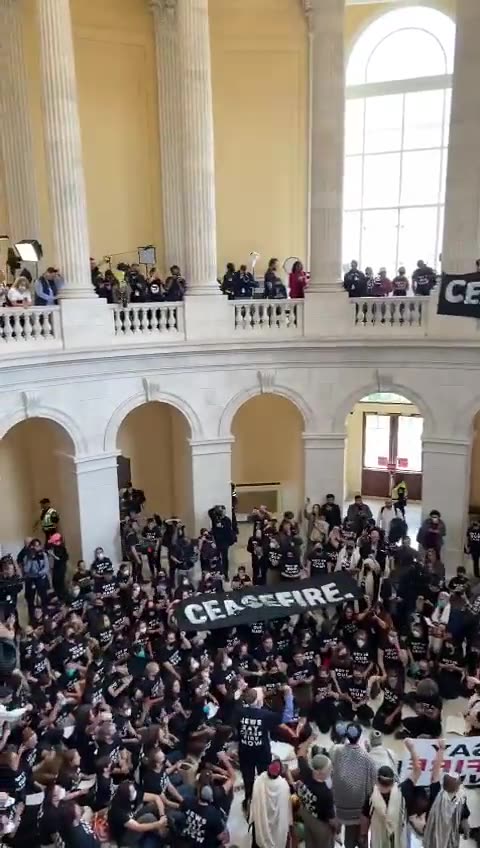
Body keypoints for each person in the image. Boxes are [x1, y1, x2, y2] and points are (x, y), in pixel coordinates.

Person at [330, 722, 377, 848]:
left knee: (349, 838)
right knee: (362, 837)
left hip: (341, 806)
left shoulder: (336, 751)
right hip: (361, 809)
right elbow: (373, 784)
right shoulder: (368, 758)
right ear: (360, 737)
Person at [236, 688, 282, 804]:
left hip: (245, 751)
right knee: (264, 776)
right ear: (258, 701)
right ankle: (263, 799)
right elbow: (283, 717)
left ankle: (248, 799)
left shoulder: (239, 712)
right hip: (262, 752)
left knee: (248, 778)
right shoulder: (266, 715)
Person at [292, 748, 338, 848]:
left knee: (310, 841)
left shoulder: (306, 773)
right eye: (329, 769)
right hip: (320, 824)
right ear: (321, 772)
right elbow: (331, 819)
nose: (331, 770)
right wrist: (336, 829)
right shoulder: (326, 793)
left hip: (307, 816)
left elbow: (300, 755)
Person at [250, 759, 292, 848]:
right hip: (277, 824)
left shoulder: (259, 780)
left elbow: (254, 802)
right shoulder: (283, 785)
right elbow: (286, 809)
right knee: (277, 837)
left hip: (261, 819)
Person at [423, 773, 470, 848]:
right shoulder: (437, 792)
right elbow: (435, 773)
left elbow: (463, 813)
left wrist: (465, 824)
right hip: (435, 834)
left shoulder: (461, 797)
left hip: (451, 836)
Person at [208, 505, 236, 577]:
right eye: (221, 511)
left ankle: (225, 573)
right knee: (216, 556)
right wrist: (216, 508)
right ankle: (218, 571)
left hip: (224, 542)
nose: (222, 513)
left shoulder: (227, 520)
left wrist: (222, 526)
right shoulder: (215, 519)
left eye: (223, 511)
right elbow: (210, 512)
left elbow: (229, 531)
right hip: (216, 541)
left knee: (225, 557)